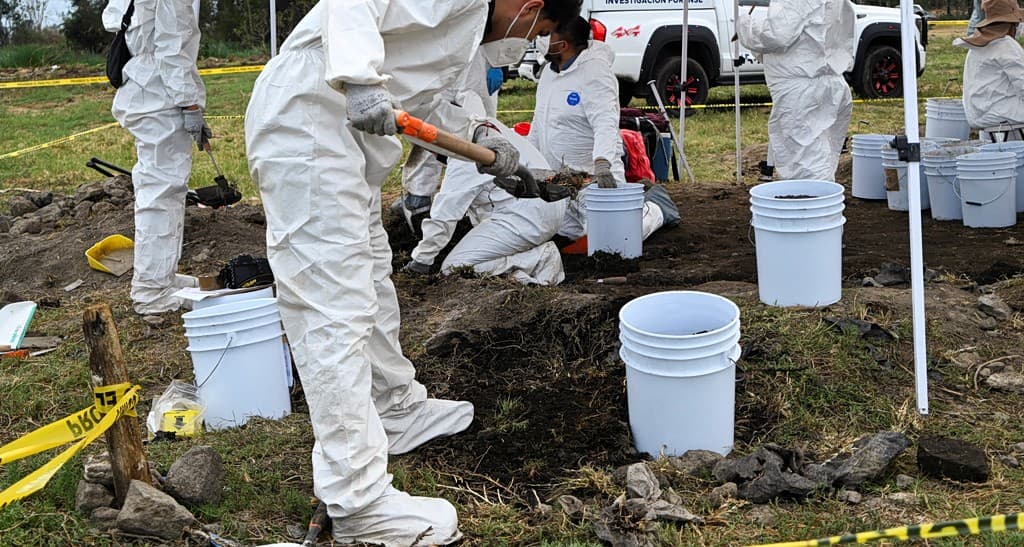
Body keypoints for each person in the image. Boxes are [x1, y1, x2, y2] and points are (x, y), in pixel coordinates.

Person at [243, 0, 580, 544]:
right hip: (308, 122)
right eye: (537, 30)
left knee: (372, 279)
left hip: (345, 142)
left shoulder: (468, 26)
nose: (530, 40)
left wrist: (481, 136)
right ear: (532, 6)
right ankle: (358, 501)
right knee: (334, 305)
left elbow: (425, 94)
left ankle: (394, 408)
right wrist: (357, 77)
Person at [103, 0, 209, 314]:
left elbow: (118, 20)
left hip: (144, 88)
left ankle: (161, 278)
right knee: (162, 193)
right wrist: (189, 104)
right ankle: (152, 292)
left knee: (161, 190)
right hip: (158, 94)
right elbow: (172, 47)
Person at [737, 0, 855, 181]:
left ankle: (811, 205)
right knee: (822, 159)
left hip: (803, 91)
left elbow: (776, 35)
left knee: (804, 168)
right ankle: (822, 204)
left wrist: (745, 26)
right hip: (829, 82)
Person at [396, 57, 506, 238]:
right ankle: (418, 198)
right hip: (446, 66)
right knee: (432, 130)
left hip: (480, 68)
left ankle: (478, 202)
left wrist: (499, 62)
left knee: (483, 133)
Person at [530, 17, 625, 188]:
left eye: (547, 35)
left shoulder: (595, 72)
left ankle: (653, 213)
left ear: (563, 45)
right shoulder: (549, 74)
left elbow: (605, 123)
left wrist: (602, 163)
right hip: (557, 183)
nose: (540, 38)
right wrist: (528, 162)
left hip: (595, 181)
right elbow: (538, 124)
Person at [955, 0, 1024, 132]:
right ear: (1012, 24)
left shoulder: (977, 45)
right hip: (999, 113)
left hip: (978, 112)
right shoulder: (1006, 45)